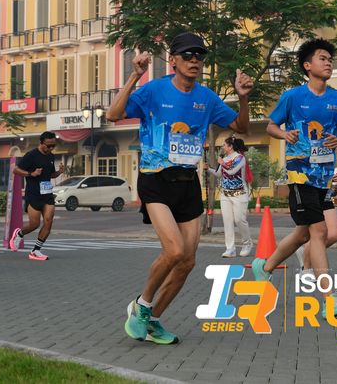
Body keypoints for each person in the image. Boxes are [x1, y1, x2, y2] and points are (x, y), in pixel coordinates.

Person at [108, 32, 253, 345]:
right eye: (187, 55)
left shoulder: (207, 97)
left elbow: (241, 127)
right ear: (172, 60)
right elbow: (113, 114)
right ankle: (142, 305)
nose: (194, 61)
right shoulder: (154, 90)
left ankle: (153, 320)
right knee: (174, 251)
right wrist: (135, 75)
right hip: (155, 179)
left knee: (187, 261)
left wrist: (243, 97)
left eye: (199, 56)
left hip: (188, 182)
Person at [252, 38, 337, 320]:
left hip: (324, 177)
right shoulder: (292, 97)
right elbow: (271, 126)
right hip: (300, 174)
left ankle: (265, 266)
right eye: (323, 58)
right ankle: (330, 298)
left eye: (330, 59)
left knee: (303, 234)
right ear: (307, 66)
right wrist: (284, 134)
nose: (328, 63)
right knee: (319, 231)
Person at [9, 131, 65, 260]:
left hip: (47, 194)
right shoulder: (31, 155)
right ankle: (19, 233)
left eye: (53, 145)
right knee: (34, 224)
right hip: (33, 193)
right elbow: (15, 169)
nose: (51, 148)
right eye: (48, 145)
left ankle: (36, 250)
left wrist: (59, 172)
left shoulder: (51, 156)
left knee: (48, 221)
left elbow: (51, 175)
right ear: (41, 143)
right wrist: (31, 174)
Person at [209, 136, 252, 258]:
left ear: (230, 146)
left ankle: (247, 243)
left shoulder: (240, 158)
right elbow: (219, 174)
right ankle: (230, 249)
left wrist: (222, 163)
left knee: (239, 220)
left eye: (224, 145)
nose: (223, 147)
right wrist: (209, 169)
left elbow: (232, 171)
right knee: (227, 221)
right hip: (225, 194)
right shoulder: (224, 159)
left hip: (240, 194)